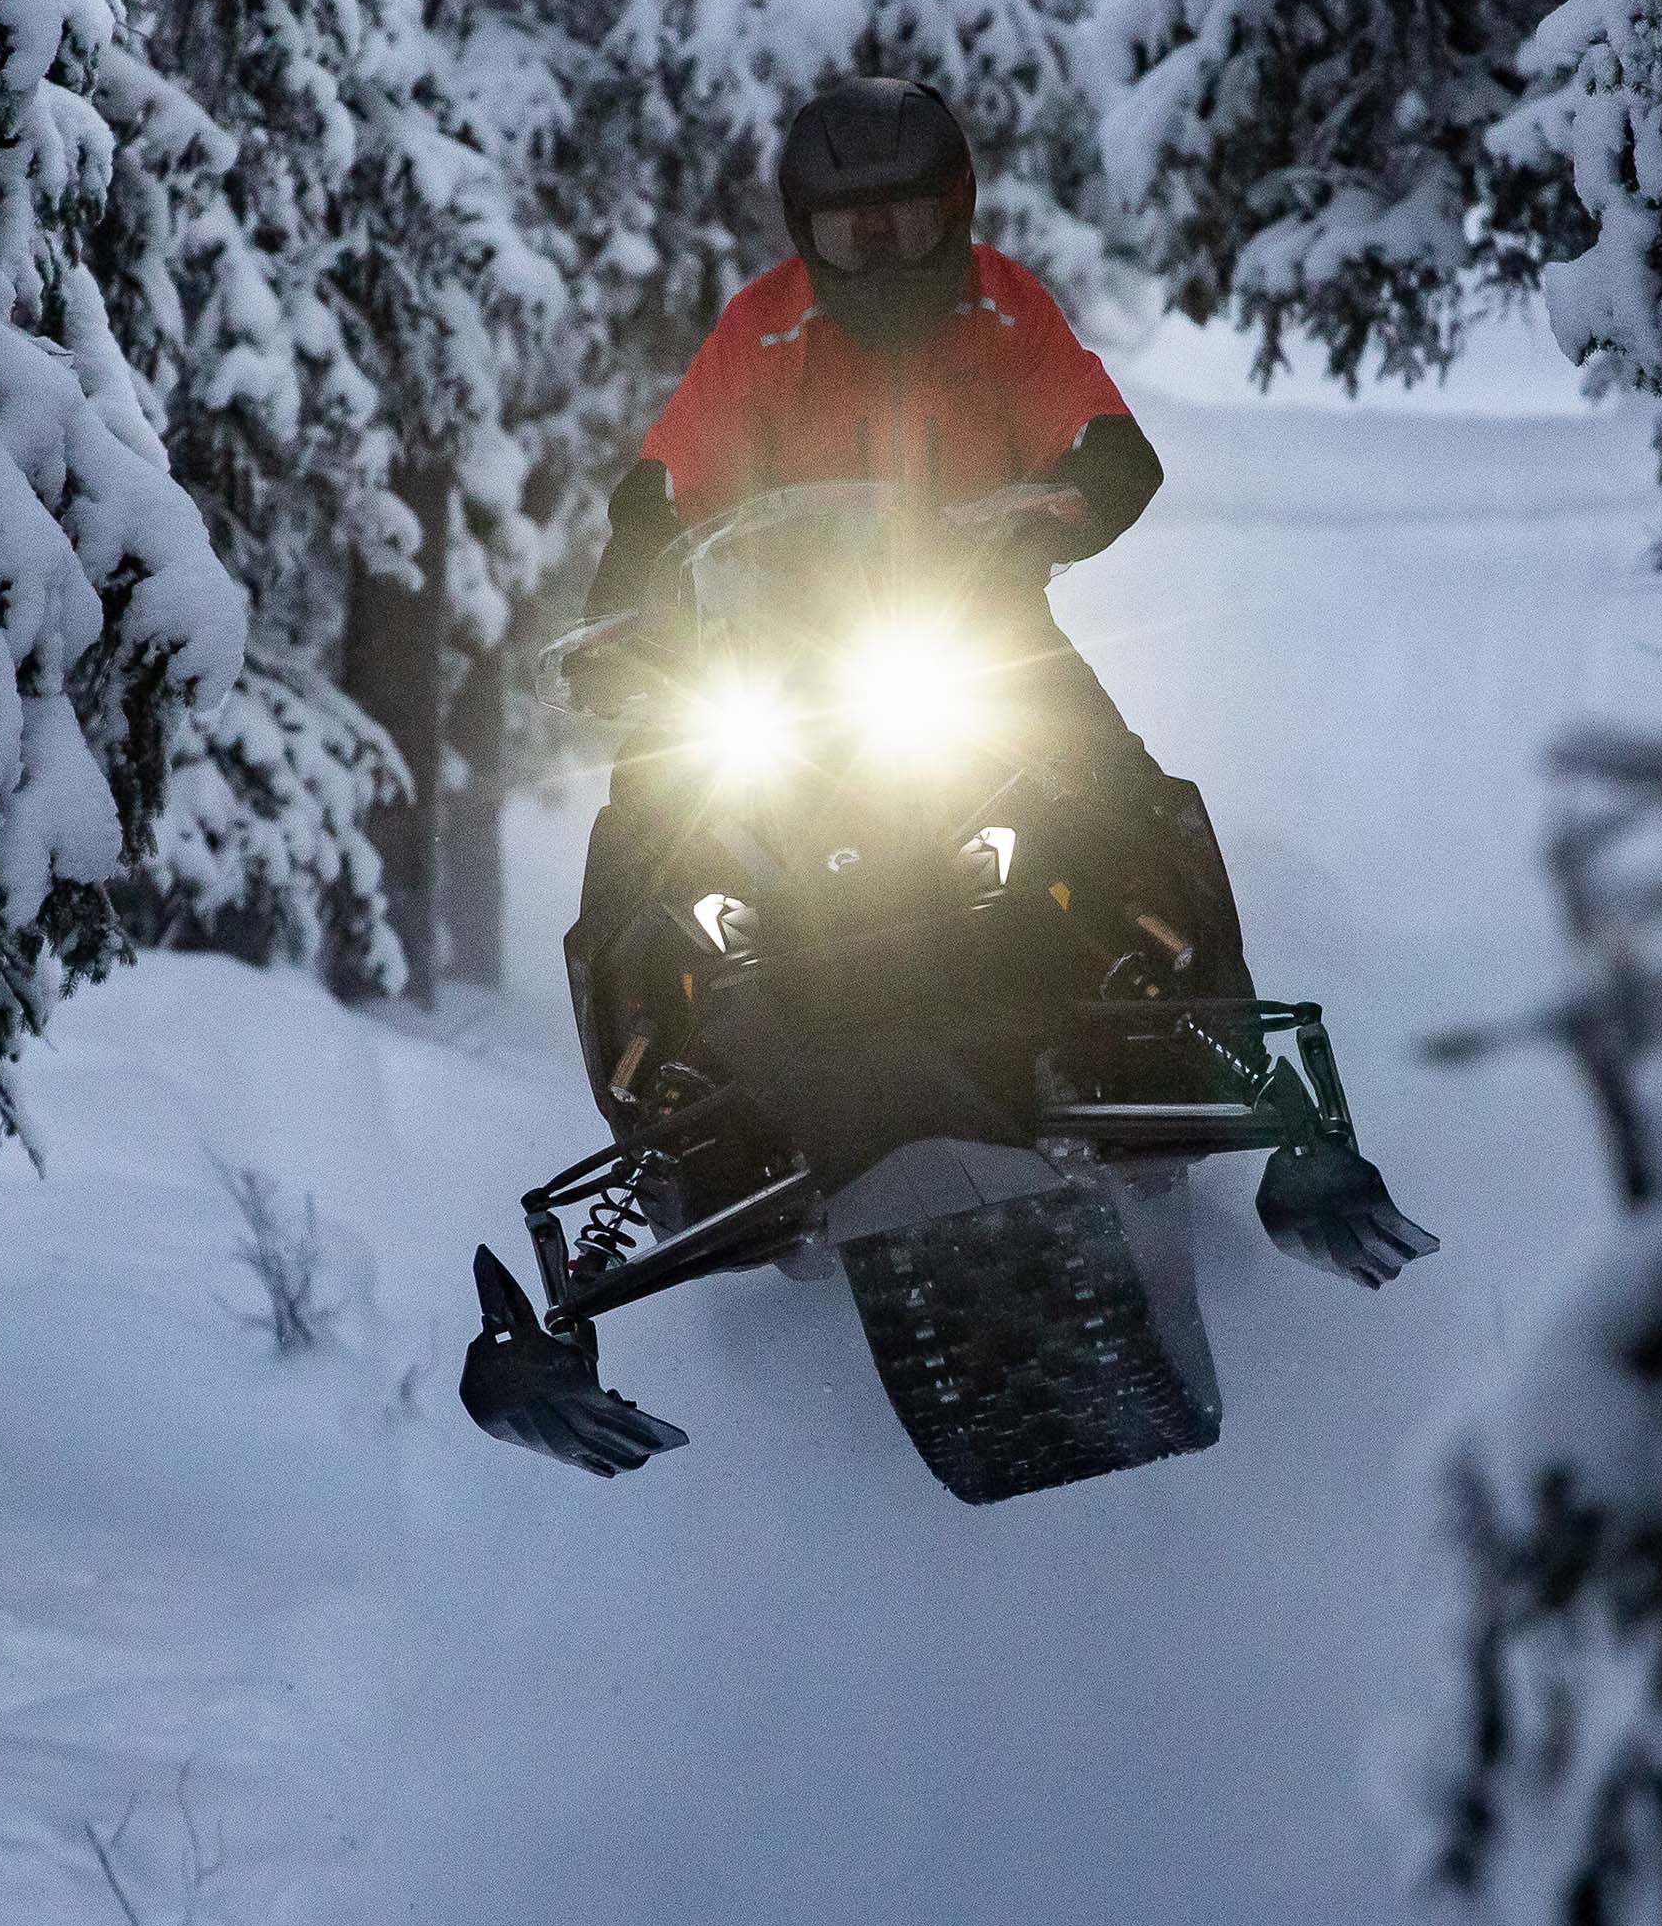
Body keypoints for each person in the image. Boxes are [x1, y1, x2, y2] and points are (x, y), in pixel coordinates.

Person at [562, 75, 1431, 1286]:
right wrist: (626, 600)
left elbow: (1104, 438)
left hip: (965, 634)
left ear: (953, 211)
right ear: (801, 230)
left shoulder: (1001, 311)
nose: (876, 257)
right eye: (847, 232)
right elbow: (666, 483)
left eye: (904, 225)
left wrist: (1063, 505)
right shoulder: (759, 330)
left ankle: (1251, 1078)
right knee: (644, 832)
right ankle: (662, 1122)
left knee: (1131, 796)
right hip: (778, 661)